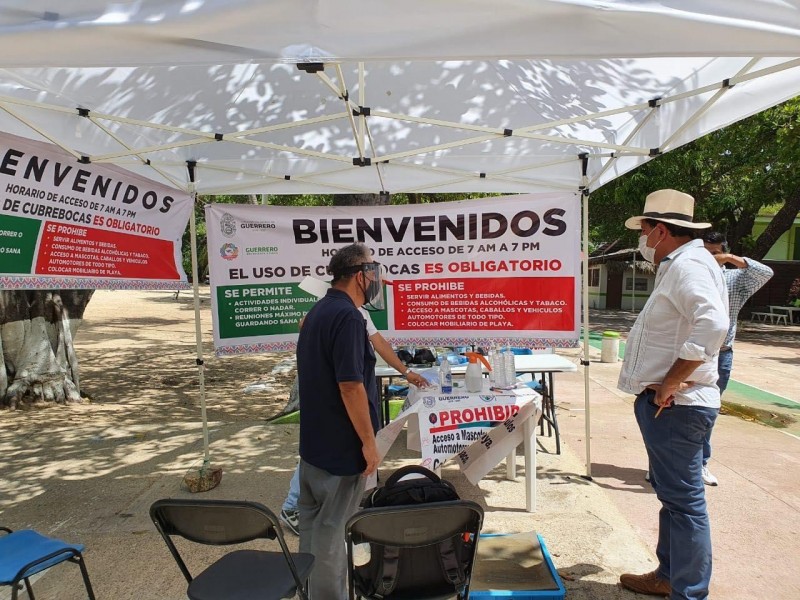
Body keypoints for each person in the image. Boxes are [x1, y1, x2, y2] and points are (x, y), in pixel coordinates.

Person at [618, 189, 729, 600]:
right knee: (674, 499)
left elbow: (712, 324)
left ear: (661, 230)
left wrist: (670, 380)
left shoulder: (690, 265)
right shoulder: (684, 264)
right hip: (671, 405)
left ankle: (689, 592)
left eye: (645, 231)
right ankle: (669, 576)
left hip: (677, 405)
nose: (643, 240)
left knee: (684, 504)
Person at [280, 306, 429, 535]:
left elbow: (379, 343)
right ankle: (292, 507)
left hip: (342, 393)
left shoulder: (358, 312)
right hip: (332, 395)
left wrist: (406, 372)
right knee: (318, 453)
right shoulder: (334, 307)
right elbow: (304, 324)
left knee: (340, 450)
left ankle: (337, 506)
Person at [295, 242, 382, 600]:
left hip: (314, 446)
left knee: (312, 528)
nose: (377, 278)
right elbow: (350, 385)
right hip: (339, 450)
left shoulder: (318, 311)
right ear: (360, 275)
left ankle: (311, 591)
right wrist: (368, 442)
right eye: (372, 271)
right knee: (332, 532)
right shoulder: (347, 316)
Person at [699, 231, 773, 486]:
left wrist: (728, 258)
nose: (711, 258)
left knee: (707, 412)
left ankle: (700, 464)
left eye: (715, 252)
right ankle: (664, 464)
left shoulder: (735, 280)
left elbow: (765, 273)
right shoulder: (690, 275)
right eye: (705, 252)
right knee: (672, 407)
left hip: (720, 356)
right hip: (688, 352)